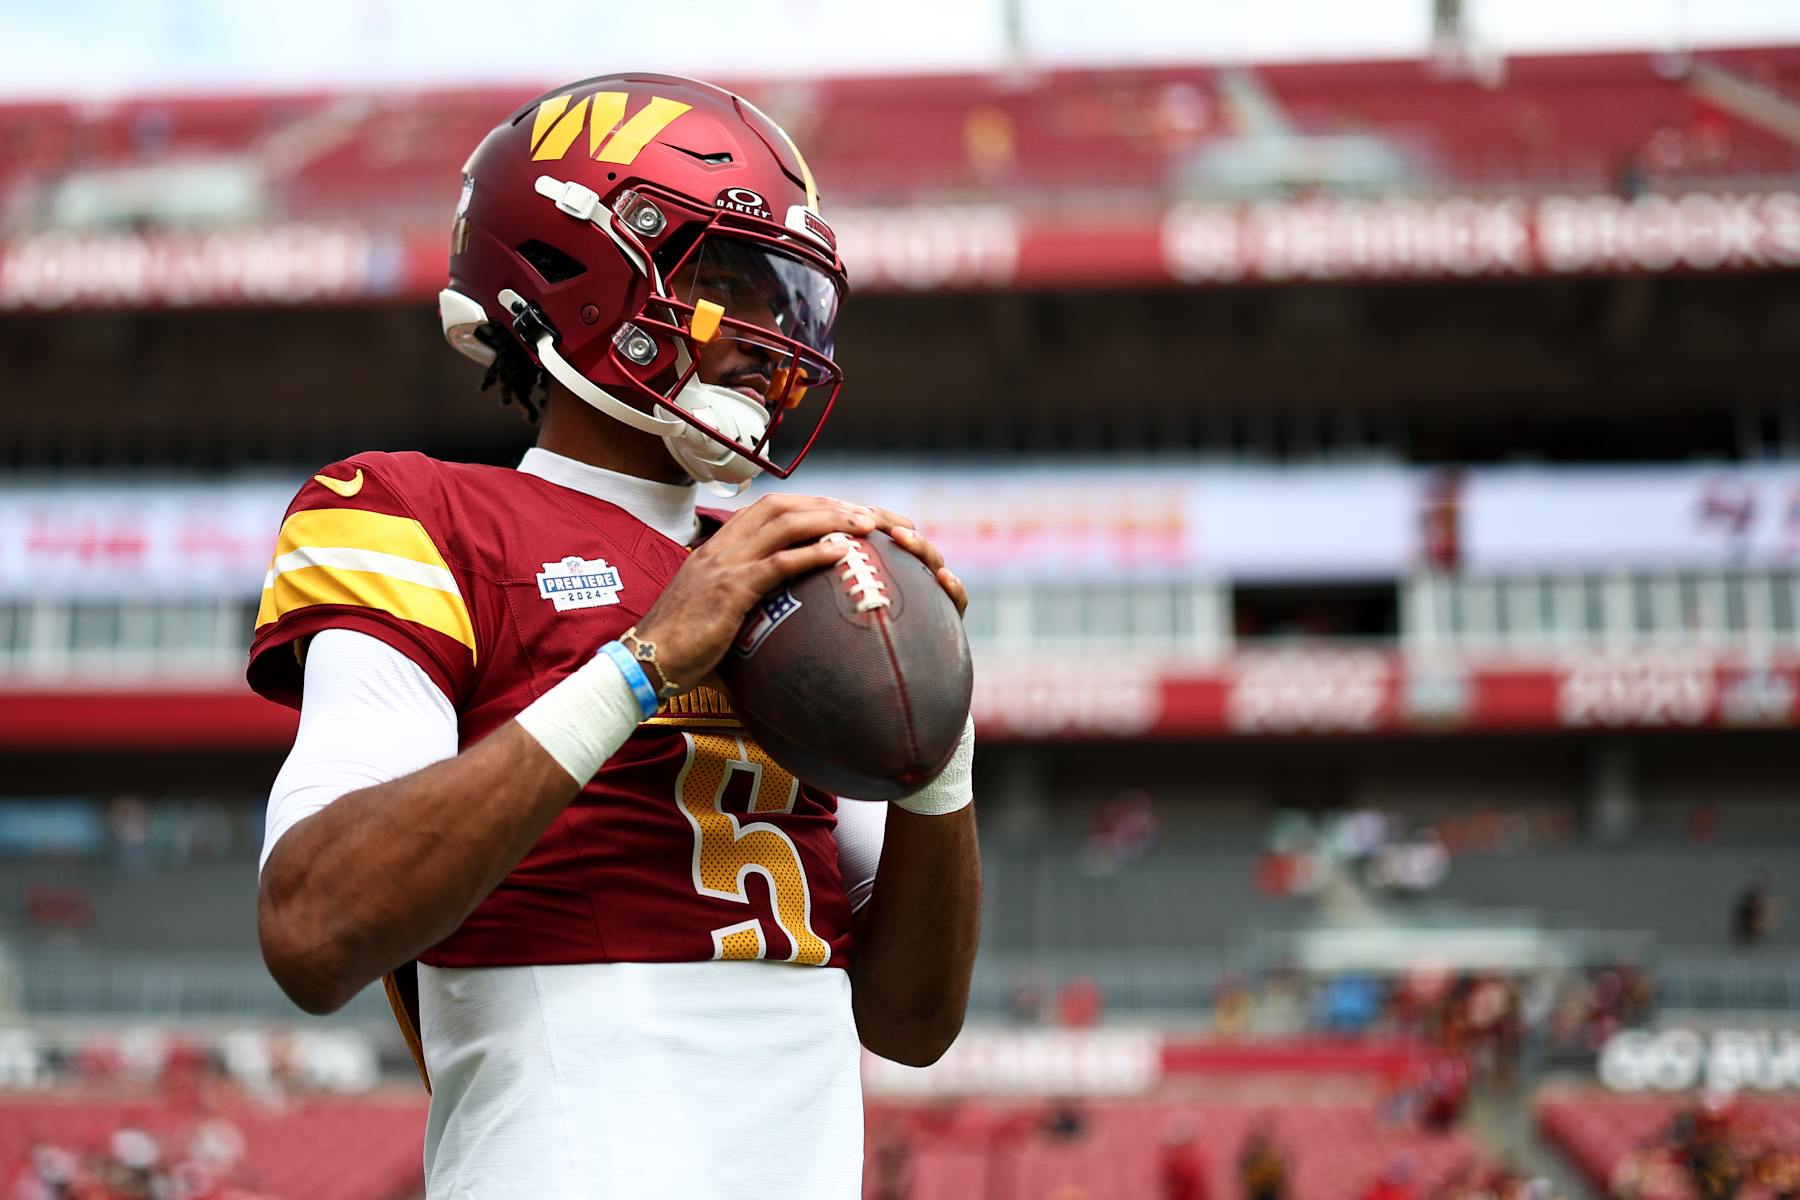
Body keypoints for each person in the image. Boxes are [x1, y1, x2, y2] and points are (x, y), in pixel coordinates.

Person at [250, 73, 982, 1200]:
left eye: (789, 298)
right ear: (571, 265)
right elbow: (314, 923)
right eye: (729, 279)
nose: (773, 338)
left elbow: (915, 1021)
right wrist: (639, 667)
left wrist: (944, 735)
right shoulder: (417, 516)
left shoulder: (795, 576)